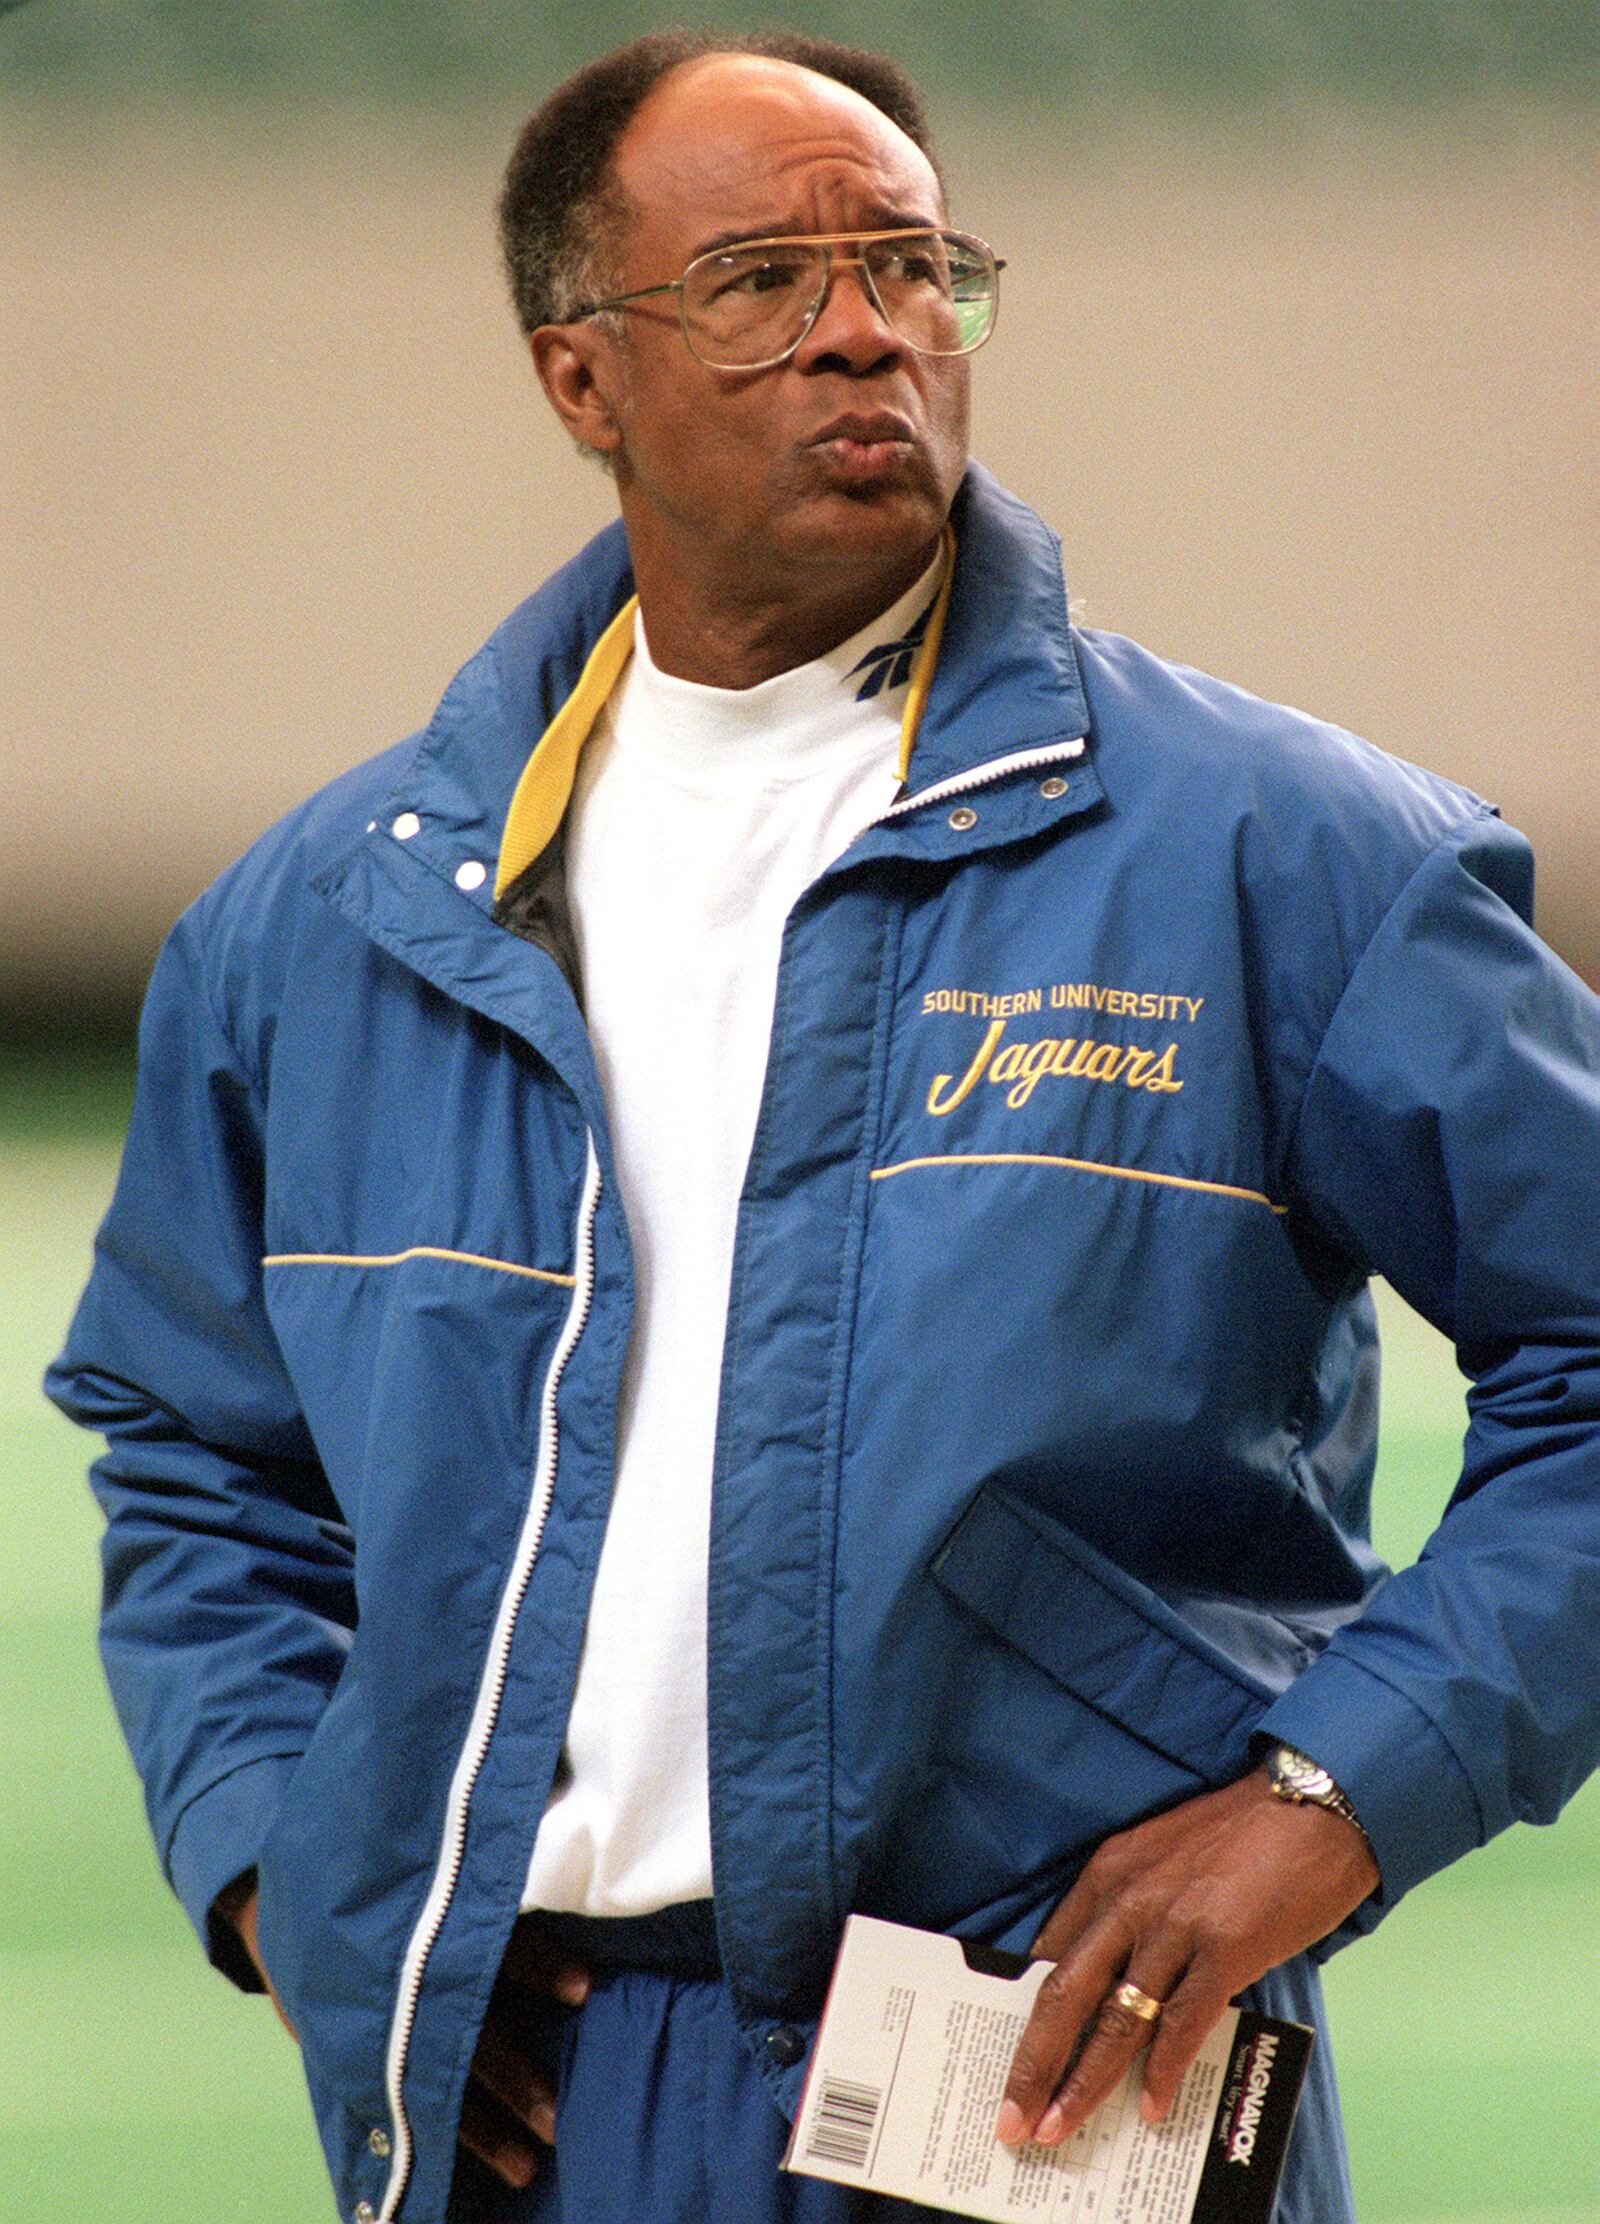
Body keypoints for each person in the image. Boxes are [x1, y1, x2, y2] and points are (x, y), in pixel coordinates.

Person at [47, 29, 1600, 2224]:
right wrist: (291, 1879)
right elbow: (197, 1450)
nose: (863, 327)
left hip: (1049, 2068)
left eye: (907, 262)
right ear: (578, 378)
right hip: (529, 2096)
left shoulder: (1283, 858)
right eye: (765, 276)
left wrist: (1334, 1793)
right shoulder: (324, 922)